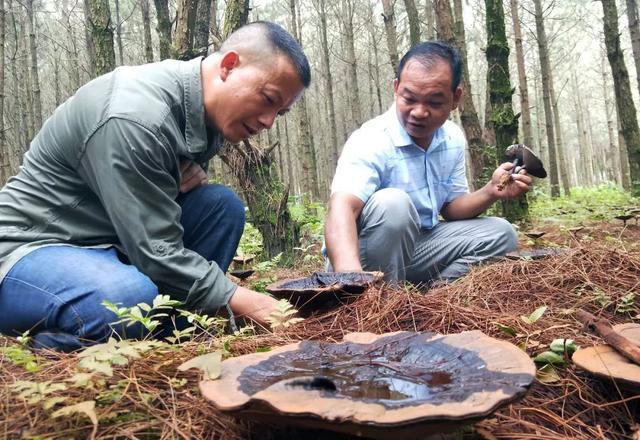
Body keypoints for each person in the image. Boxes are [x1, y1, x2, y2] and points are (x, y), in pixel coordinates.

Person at [0, 21, 310, 351]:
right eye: (268, 99)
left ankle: (172, 333)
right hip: (31, 250)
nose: (267, 121)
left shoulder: (205, 112)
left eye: (281, 112)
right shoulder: (134, 116)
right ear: (229, 65)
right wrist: (250, 303)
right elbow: (156, 251)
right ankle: (57, 346)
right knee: (127, 299)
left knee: (221, 206)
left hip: (110, 241)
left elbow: (158, 220)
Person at [324, 41, 531, 285]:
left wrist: (490, 191)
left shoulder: (451, 138)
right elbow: (341, 208)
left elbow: (451, 208)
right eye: (409, 99)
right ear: (396, 88)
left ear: (455, 98)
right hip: (362, 257)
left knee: (501, 234)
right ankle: (376, 304)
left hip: (418, 248)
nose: (419, 112)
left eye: (434, 102)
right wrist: (350, 278)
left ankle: (432, 299)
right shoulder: (372, 139)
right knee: (394, 204)